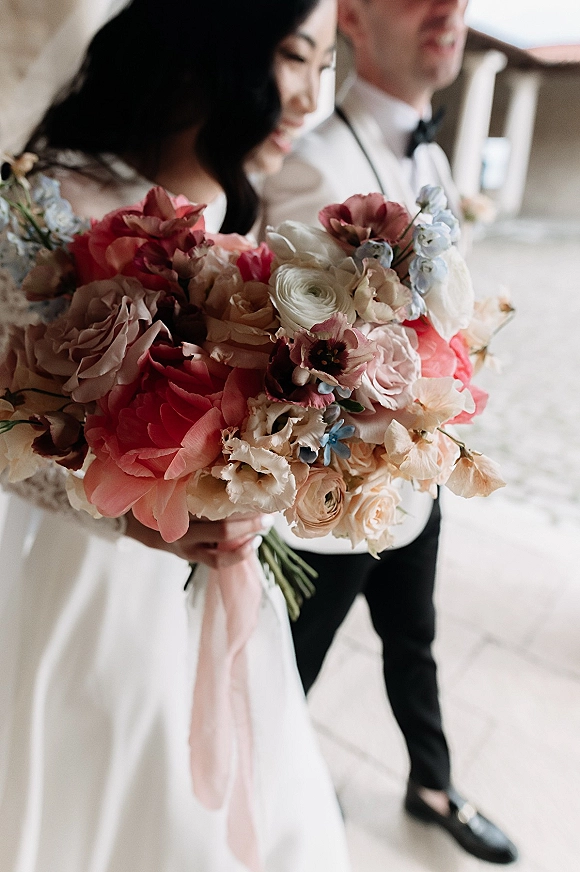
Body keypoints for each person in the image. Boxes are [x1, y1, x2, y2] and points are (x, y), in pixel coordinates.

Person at [0, 1, 350, 871]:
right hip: (68, 573)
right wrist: (117, 510)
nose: (309, 99)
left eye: (325, 67)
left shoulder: (231, 207)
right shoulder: (51, 203)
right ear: (210, 47)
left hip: (201, 583)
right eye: (294, 56)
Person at [261, 0, 518, 865]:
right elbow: (273, 350)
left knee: (417, 638)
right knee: (283, 670)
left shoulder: (434, 154)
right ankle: (272, 795)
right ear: (355, 21)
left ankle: (431, 782)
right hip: (328, 504)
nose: (449, 9)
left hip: (419, 484)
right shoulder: (308, 162)